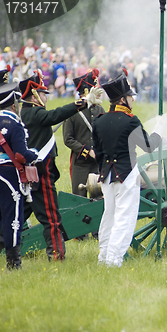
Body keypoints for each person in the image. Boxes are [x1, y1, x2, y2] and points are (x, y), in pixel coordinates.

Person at [19, 71, 92, 261]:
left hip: (31, 173)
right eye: (43, 93)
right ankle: (56, 255)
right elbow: (56, 114)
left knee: (19, 214)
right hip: (41, 175)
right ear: (34, 94)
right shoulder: (34, 112)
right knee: (51, 217)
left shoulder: (26, 113)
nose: (45, 97)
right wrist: (82, 103)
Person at [93, 73, 164, 267]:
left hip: (106, 175)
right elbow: (149, 146)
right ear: (123, 99)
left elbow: (98, 152)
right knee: (124, 218)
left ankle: (104, 256)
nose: (133, 99)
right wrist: (159, 130)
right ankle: (113, 260)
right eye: (130, 96)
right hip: (126, 174)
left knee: (109, 216)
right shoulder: (130, 120)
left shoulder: (99, 120)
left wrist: (104, 171)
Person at [0, 82, 39, 270]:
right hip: (8, 174)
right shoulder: (15, 123)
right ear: (14, 104)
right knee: (12, 218)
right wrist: (35, 153)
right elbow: (21, 154)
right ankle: (13, 263)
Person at [63, 69, 105, 240]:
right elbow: (68, 139)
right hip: (81, 162)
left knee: (98, 197)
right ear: (87, 91)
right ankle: (80, 234)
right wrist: (87, 151)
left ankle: (97, 232)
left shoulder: (100, 109)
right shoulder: (73, 112)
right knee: (79, 199)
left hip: (97, 163)